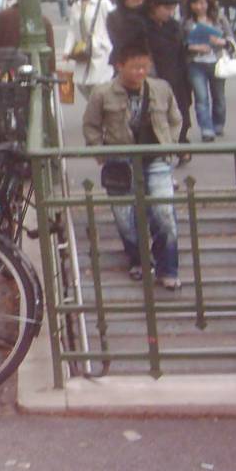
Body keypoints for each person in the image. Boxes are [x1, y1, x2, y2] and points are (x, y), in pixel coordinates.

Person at [82, 41, 183, 289]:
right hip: (120, 160)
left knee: (164, 213)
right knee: (125, 218)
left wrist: (170, 144)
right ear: (120, 66)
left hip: (156, 157)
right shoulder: (102, 93)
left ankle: (168, 268)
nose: (140, 72)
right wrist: (100, 152)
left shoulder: (160, 88)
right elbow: (91, 125)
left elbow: (175, 118)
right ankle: (139, 259)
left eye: (144, 67)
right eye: (135, 67)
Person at [142, 0, 193, 163]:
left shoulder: (174, 26)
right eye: (166, 8)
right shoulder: (143, 26)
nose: (170, 13)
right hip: (155, 78)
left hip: (177, 77)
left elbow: (181, 52)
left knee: (180, 113)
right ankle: (165, 151)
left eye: (173, 9)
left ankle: (180, 145)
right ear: (154, 6)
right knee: (158, 116)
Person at [183, 0, 234, 142]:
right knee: (201, 97)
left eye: (203, 3)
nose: (199, 7)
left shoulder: (219, 19)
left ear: (208, 3)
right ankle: (206, 129)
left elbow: (230, 40)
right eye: (195, 3)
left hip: (217, 62)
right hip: (196, 63)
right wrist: (193, 47)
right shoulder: (186, 22)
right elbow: (181, 43)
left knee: (219, 96)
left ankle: (218, 124)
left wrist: (221, 42)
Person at [62, 0, 114, 99]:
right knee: (82, 83)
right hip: (82, 52)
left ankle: (100, 108)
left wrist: (104, 43)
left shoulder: (103, 3)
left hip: (100, 51)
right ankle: (95, 107)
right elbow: (72, 30)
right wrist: (67, 51)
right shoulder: (76, 6)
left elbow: (114, 25)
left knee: (100, 85)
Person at [0, 1, 56, 74]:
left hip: (5, 69)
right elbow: (50, 52)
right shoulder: (43, 20)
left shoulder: (0, 17)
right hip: (34, 70)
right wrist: (51, 71)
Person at [106, 0, 148, 65]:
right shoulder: (115, 16)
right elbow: (117, 39)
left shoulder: (145, 14)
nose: (141, 3)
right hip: (125, 58)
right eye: (137, 0)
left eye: (143, 0)